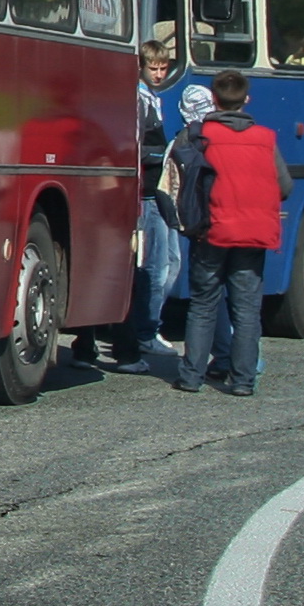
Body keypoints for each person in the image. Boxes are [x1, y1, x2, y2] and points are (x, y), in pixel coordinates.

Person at [173, 69, 288, 397]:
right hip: (253, 233)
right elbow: (284, 186)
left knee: (203, 303)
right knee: (247, 308)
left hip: (211, 230)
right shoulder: (265, 138)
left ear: (214, 98)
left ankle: (191, 376)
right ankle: (242, 381)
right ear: (246, 99)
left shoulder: (198, 135)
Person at [96, 26, 190, 365]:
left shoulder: (154, 97)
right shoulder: (137, 98)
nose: (160, 74)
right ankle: (146, 331)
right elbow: (135, 148)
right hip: (148, 192)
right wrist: (164, 154)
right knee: (154, 265)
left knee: (170, 263)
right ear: (141, 67)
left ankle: (148, 326)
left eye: (164, 68)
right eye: (154, 68)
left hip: (157, 190)